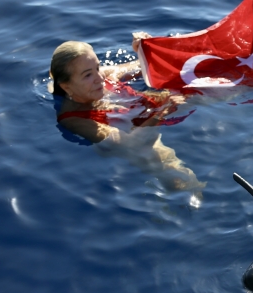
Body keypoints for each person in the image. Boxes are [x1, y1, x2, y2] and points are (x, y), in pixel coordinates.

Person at [49, 41, 203, 193]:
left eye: (97, 67)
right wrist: (163, 112)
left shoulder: (102, 77)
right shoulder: (75, 120)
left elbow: (142, 65)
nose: (100, 77)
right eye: (88, 75)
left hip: (158, 105)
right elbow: (132, 144)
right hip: (142, 138)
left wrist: (145, 52)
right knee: (181, 180)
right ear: (66, 86)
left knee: (205, 79)